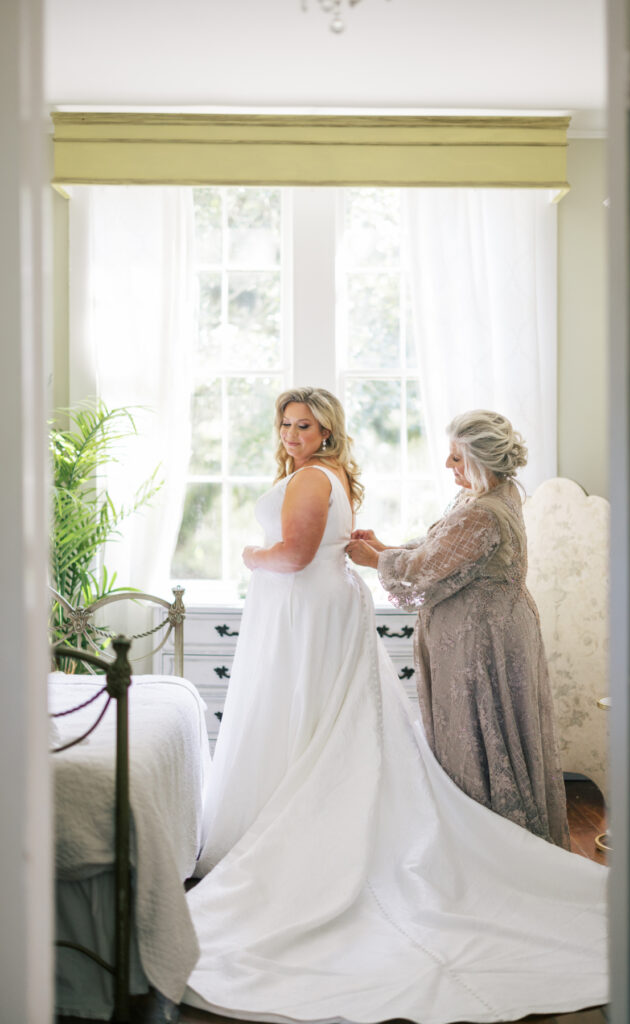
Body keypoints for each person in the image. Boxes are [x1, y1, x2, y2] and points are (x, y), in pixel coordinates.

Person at [184, 388, 607, 1023]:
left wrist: (253, 556)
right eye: (286, 424)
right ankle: (488, 829)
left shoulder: (474, 508)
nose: (290, 434)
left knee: (462, 734)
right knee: (399, 731)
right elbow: (425, 550)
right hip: (423, 618)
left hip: (461, 632)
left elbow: (323, 557)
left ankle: (488, 842)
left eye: (304, 425)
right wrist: (381, 551)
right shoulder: (480, 498)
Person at [347, 409, 570, 849]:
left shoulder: (483, 512)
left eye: (456, 458)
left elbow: (426, 566)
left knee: (480, 733)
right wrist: (384, 545)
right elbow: (445, 549)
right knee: (494, 733)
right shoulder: (495, 496)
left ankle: (487, 843)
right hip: (490, 631)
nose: (448, 467)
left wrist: (373, 559)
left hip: (482, 644)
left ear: (481, 459)